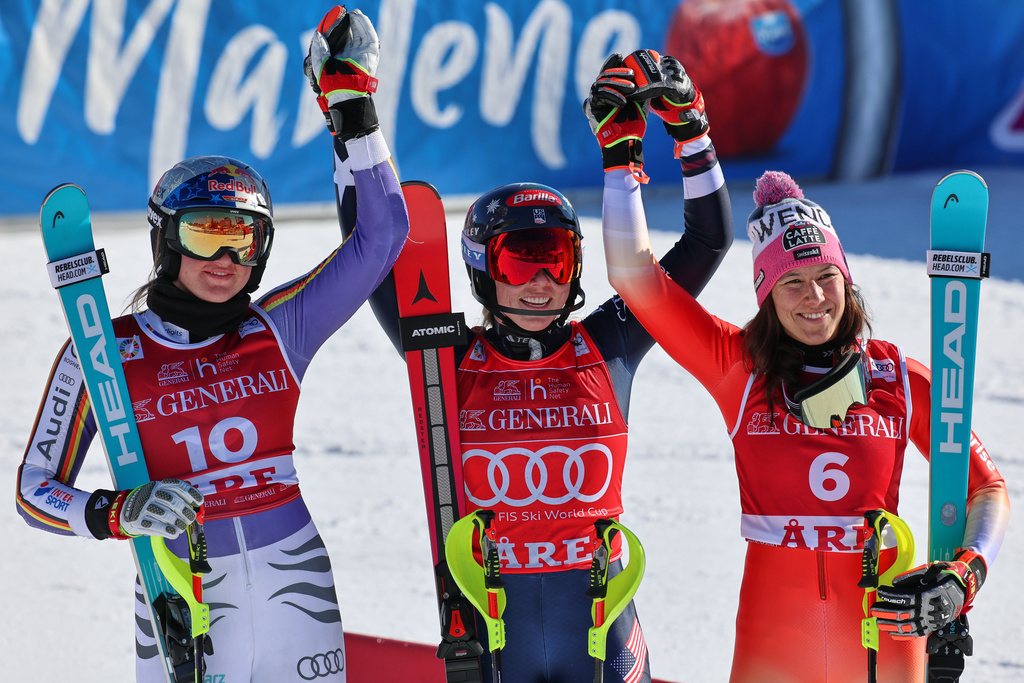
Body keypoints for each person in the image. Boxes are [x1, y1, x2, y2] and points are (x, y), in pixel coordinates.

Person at [16, 7, 408, 681]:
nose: (225, 257)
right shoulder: (104, 351)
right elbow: (33, 490)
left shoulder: (281, 327)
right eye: (204, 235)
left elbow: (383, 237)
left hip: (298, 589)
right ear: (165, 241)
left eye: (245, 238)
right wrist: (116, 512)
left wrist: (353, 107)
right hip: (182, 596)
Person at [333, 49, 732, 682]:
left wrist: (690, 130)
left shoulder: (610, 344)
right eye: (521, 260)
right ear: (483, 270)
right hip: (496, 638)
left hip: (602, 633)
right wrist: (351, 115)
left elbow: (707, 242)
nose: (541, 281)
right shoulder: (445, 358)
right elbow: (369, 254)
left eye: (557, 258)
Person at [600, 82, 1011, 681]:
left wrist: (964, 573)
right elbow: (634, 276)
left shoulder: (897, 377)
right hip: (774, 648)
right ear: (767, 296)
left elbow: (989, 488)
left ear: (848, 279)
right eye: (792, 283)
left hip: (884, 643)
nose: (815, 297)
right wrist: (630, 158)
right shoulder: (738, 368)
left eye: (827, 275)